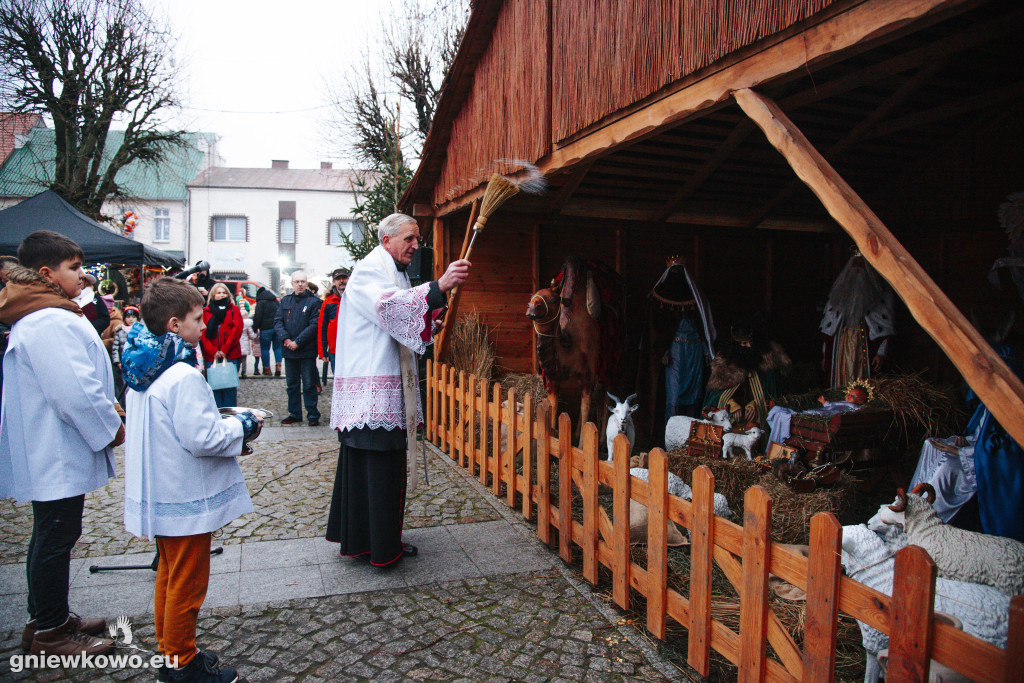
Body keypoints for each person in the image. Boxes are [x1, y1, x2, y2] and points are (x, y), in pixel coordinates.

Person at [121, 276, 261, 683]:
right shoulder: (181, 376)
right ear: (173, 325)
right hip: (183, 494)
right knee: (187, 581)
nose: (203, 326)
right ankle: (181, 663)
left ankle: (174, 650)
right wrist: (244, 425)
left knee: (169, 575)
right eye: (197, 318)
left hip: (163, 490)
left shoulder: (144, 374)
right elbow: (204, 438)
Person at [0, 231, 123, 657]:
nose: (83, 275)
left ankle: (47, 615)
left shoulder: (45, 313)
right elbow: (73, 390)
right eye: (74, 267)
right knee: (55, 534)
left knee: (52, 533)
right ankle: (52, 631)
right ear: (47, 273)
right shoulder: (48, 319)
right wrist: (110, 427)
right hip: (54, 447)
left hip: (53, 444)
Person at [325, 213, 470, 566]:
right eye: (409, 239)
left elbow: (398, 321)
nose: (416, 245)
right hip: (372, 390)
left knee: (372, 471)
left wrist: (426, 322)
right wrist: (440, 286)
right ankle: (380, 546)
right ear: (386, 240)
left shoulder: (393, 271)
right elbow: (388, 307)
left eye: (417, 239)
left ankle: (364, 540)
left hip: (377, 387)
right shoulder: (370, 271)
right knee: (379, 472)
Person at [820, 252, 896, 387]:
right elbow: (828, 330)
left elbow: (884, 331)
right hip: (842, 346)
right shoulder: (838, 298)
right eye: (855, 265)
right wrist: (825, 354)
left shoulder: (879, 298)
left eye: (861, 266)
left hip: (863, 347)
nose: (857, 271)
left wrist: (881, 353)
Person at [704, 323, 790, 430]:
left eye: (751, 342)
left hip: (756, 418)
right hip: (733, 417)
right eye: (744, 343)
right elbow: (715, 397)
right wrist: (732, 406)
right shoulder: (723, 363)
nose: (749, 346)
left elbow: (770, 393)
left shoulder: (765, 361)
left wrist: (754, 405)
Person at [274, 271, 322, 425]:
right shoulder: (285, 301)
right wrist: (286, 339)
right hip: (289, 351)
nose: (300, 284)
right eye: (297, 281)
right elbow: (278, 321)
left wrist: (298, 342)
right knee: (292, 385)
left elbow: (314, 325)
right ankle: (294, 413)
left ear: (307, 283)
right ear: (292, 284)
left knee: (309, 384)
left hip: (306, 350)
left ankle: (313, 415)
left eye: (303, 281)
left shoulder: (314, 302)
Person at [200, 283, 243, 408]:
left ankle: (230, 417)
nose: (221, 295)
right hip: (211, 355)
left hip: (230, 353)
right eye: (218, 293)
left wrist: (224, 349)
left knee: (229, 387)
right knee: (214, 388)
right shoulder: (206, 312)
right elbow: (203, 333)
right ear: (213, 295)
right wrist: (213, 350)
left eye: (224, 293)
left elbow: (237, 330)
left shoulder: (233, 309)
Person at [317, 267, 349, 385]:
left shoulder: (354, 298)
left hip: (353, 348)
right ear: (334, 282)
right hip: (335, 349)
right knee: (339, 381)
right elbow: (322, 327)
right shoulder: (328, 302)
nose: (341, 281)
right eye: (338, 279)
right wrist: (322, 351)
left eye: (344, 278)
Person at [252, 286, 281, 376]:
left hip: (265, 329)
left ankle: (267, 369)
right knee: (277, 348)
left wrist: (255, 328)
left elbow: (258, 317)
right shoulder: (275, 301)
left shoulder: (261, 303)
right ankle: (278, 366)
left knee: (265, 349)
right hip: (277, 328)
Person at [238, 305, 259, 378]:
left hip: (237, 344)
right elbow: (251, 336)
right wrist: (256, 334)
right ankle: (244, 372)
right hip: (245, 344)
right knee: (244, 360)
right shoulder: (248, 324)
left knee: (237, 360)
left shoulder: (236, 323)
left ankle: (236, 371)